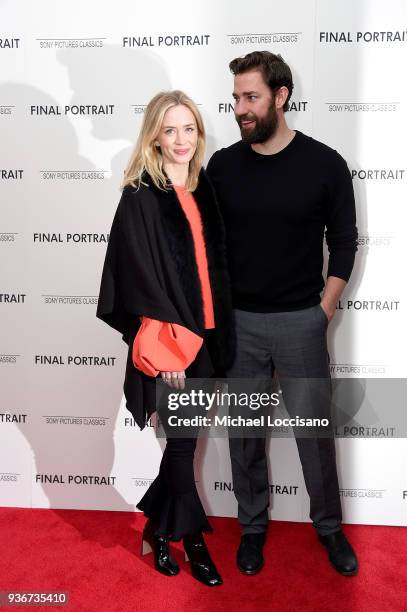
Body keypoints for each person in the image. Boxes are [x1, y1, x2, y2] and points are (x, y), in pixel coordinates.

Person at [207, 51, 359, 577]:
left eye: (251, 97)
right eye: (235, 100)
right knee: (244, 434)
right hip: (240, 324)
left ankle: (329, 528)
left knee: (313, 435)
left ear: (281, 96)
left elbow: (343, 244)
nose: (240, 109)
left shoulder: (324, 164)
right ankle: (252, 528)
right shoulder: (222, 167)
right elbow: (205, 247)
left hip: (301, 319)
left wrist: (323, 310)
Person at [96, 90, 235, 586]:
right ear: (155, 134)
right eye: (171, 129)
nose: (181, 139)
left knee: (184, 444)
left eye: (190, 128)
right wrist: (167, 344)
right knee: (181, 448)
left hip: (211, 336)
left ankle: (157, 531)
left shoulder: (204, 188)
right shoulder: (140, 195)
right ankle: (192, 539)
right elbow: (134, 280)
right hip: (175, 344)